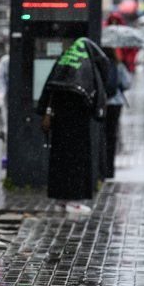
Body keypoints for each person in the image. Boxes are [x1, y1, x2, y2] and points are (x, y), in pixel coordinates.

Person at [38, 38, 109, 208]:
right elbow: (99, 89)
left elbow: (50, 90)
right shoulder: (87, 67)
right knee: (78, 161)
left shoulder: (63, 62)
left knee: (60, 160)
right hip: (78, 124)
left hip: (59, 122)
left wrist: (47, 112)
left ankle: (60, 198)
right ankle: (74, 199)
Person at [102, 48, 131, 178]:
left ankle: (100, 166)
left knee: (101, 135)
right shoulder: (118, 65)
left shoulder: (99, 64)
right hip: (115, 103)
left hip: (102, 103)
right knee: (111, 135)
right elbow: (127, 83)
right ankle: (110, 168)